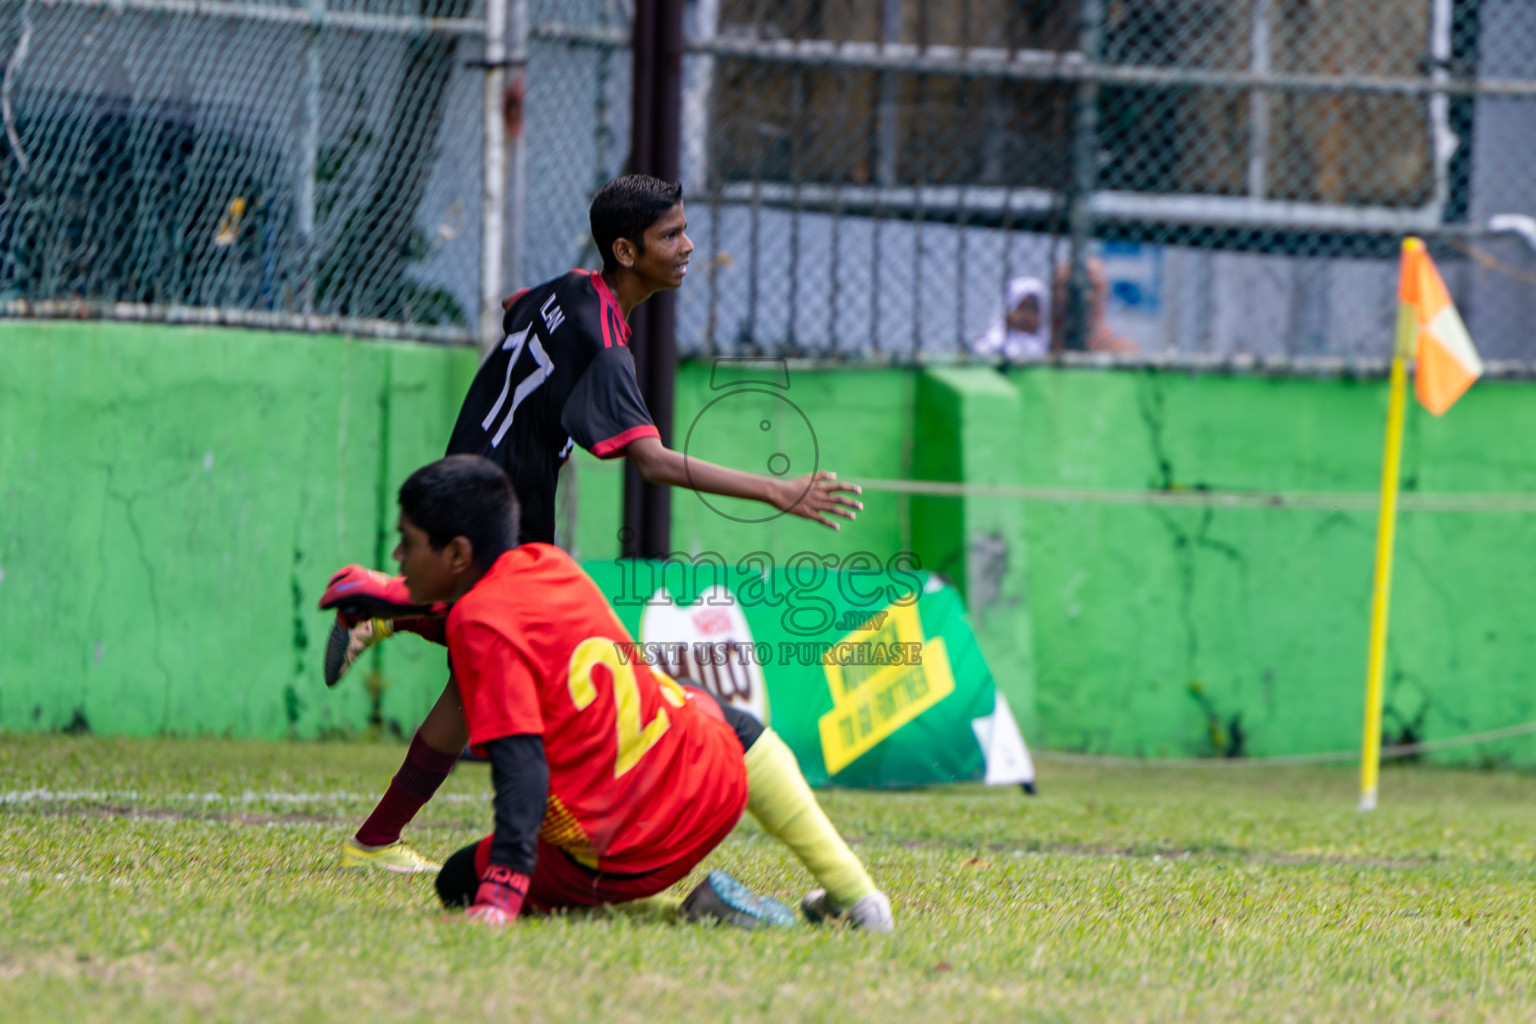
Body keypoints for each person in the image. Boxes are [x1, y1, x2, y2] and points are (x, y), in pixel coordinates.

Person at [321, 174, 864, 875]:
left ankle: (375, 831)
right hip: (502, 514)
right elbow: (652, 462)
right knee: (516, 668)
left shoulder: (571, 287)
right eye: (671, 235)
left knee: (469, 678)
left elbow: (519, 307)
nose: (688, 246)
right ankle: (382, 600)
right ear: (626, 250)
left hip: (471, 478)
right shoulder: (605, 342)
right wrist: (776, 490)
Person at [392, 455, 894, 930]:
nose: (398, 557)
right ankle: (857, 895)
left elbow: (522, 762)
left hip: (625, 857)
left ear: (457, 553)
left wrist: (502, 890)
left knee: (458, 877)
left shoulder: (478, 621)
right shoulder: (550, 562)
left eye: (406, 542)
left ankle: (680, 912)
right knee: (699, 704)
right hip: (714, 790)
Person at [1050, 257, 1138, 355]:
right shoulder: (1043, 344)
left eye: (1090, 287)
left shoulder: (1121, 350)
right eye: (1068, 287)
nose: (1082, 299)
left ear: (1106, 295)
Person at [970, 275, 1051, 361]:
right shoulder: (993, 344)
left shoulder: (1044, 347)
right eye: (1020, 307)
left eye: (1032, 310)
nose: (1025, 316)